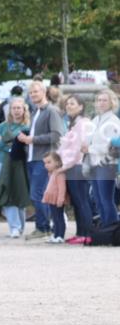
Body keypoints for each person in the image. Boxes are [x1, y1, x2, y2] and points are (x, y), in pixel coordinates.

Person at [15, 80, 64, 240]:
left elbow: (56, 135)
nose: (33, 94)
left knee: (37, 193)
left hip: (44, 159)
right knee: (38, 193)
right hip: (33, 157)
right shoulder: (37, 112)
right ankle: (45, 226)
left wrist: (32, 139)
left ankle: (43, 227)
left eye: (36, 91)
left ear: (44, 92)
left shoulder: (51, 111)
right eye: (30, 92)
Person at [58, 95, 95, 244]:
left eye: (72, 104)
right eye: (67, 104)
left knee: (82, 201)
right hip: (71, 167)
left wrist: (65, 165)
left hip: (78, 167)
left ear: (81, 106)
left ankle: (87, 234)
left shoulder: (83, 123)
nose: (68, 106)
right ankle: (80, 232)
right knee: (77, 202)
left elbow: (80, 149)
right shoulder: (72, 124)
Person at [0, 97, 30, 238]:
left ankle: (20, 226)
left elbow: (23, 143)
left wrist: (6, 141)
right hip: (3, 163)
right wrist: (9, 147)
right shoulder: (3, 125)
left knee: (20, 195)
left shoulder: (27, 126)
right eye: (13, 108)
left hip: (20, 165)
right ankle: (14, 227)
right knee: (6, 194)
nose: (16, 111)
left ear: (24, 109)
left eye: (19, 108)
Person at [85, 88, 120, 227]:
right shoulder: (95, 120)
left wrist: (89, 148)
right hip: (94, 164)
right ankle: (106, 228)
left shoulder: (114, 121)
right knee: (97, 199)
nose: (101, 103)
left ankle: (113, 229)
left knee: (106, 199)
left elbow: (110, 146)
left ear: (111, 102)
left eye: (105, 100)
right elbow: (89, 139)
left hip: (107, 164)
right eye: (99, 100)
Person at [41, 151, 68, 244]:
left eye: (49, 162)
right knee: (55, 218)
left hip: (57, 200)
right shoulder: (51, 173)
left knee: (59, 217)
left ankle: (60, 236)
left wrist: (61, 199)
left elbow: (62, 188)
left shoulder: (59, 173)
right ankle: (56, 235)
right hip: (52, 200)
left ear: (57, 162)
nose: (46, 165)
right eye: (45, 163)